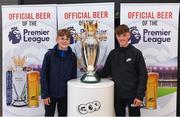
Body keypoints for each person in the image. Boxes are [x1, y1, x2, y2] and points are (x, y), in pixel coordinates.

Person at [96, 24, 148, 116]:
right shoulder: (113, 54)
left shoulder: (136, 53)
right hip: (117, 96)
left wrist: (139, 96)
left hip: (133, 96)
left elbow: (143, 75)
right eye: (119, 36)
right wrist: (93, 74)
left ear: (129, 35)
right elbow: (105, 72)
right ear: (116, 36)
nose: (121, 38)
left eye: (124, 35)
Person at [40, 29, 77, 116]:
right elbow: (43, 75)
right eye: (62, 38)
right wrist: (45, 95)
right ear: (57, 39)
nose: (64, 41)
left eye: (67, 39)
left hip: (65, 95)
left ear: (70, 41)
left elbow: (73, 77)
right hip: (50, 94)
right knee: (49, 114)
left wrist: (71, 94)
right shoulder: (49, 55)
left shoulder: (72, 56)